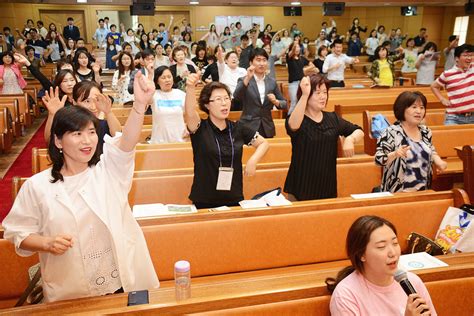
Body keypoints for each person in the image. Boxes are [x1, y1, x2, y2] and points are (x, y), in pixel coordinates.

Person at [2, 70, 160, 303]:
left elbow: (126, 143)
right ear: (58, 141)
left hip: (123, 285)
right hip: (71, 289)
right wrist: (46, 242)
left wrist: (139, 105)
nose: (87, 141)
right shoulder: (37, 186)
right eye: (77, 134)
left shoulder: (108, 171)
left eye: (91, 132)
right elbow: (17, 233)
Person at [183, 73, 269, 209]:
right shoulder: (200, 128)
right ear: (207, 105)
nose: (224, 103)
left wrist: (253, 160)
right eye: (218, 99)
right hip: (204, 200)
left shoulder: (238, 128)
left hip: (234, 197)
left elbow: (263, 143)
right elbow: (190, 112)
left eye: (226, 98)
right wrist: (190, 87)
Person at [326, 215, 437, 315]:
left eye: (395, 243)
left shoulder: (413, 281)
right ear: (361, 254)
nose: (393, 253)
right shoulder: (345, 295)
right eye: (381, 247)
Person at [284, 74, 363, 201]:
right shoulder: (298, 119)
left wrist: (350, 139)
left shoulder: (332, 118)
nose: (323, 97)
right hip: (301, 187)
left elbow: (359, 130)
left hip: (327, 186)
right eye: (317, 93)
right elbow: (292, 126)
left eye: (325, 92)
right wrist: (304, 95)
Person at [375, 91, 447, 192]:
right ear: (402, 109)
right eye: (414, 107)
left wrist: (438, 161)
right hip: (396, 192)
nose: (419, 111)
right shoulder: (391, 132)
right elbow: (378, 160)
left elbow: (431, 150)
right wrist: (395, 154)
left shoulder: (425, 131)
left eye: (422, 108)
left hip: (423, 191)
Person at [233, 48, 286, 139]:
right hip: (248, 126)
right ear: (251, 63)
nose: (261, 63)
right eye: (258, 60)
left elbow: (284, 104)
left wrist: (276, 102)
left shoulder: (272, 82)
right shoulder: (244, 80)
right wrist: (247, 78)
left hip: (267, 127)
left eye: (264, 60)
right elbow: (237, 96)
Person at [431, 44, 474, 125]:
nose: (469, 58)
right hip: (454, 117)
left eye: (471, 55)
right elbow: (434, 86)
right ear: (457, 58)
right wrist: (442, 99)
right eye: (465, 55)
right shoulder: (447, 74)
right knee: (448, 137)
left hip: (473, 117)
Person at [150, 66, 187, 144]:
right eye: (163, 78)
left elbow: (190, 114)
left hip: (180, 139)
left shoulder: (181, 94)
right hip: (159, 141)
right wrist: (150, 74)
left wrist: (189, 129)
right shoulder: (153, 95)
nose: (167, 80)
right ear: (157, 81)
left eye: (169, 77)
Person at [286, 40, 314, 114]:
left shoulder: (302, 58)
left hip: (302, 83)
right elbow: (290, 53)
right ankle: (289, 119)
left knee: (302, 102)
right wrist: (294, 44)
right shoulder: (289, 58)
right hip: (293, 84)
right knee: (294, 103)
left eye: (298, 47)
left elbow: (312, 65)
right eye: (295, 47)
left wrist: (305, 69)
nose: (297, 49)